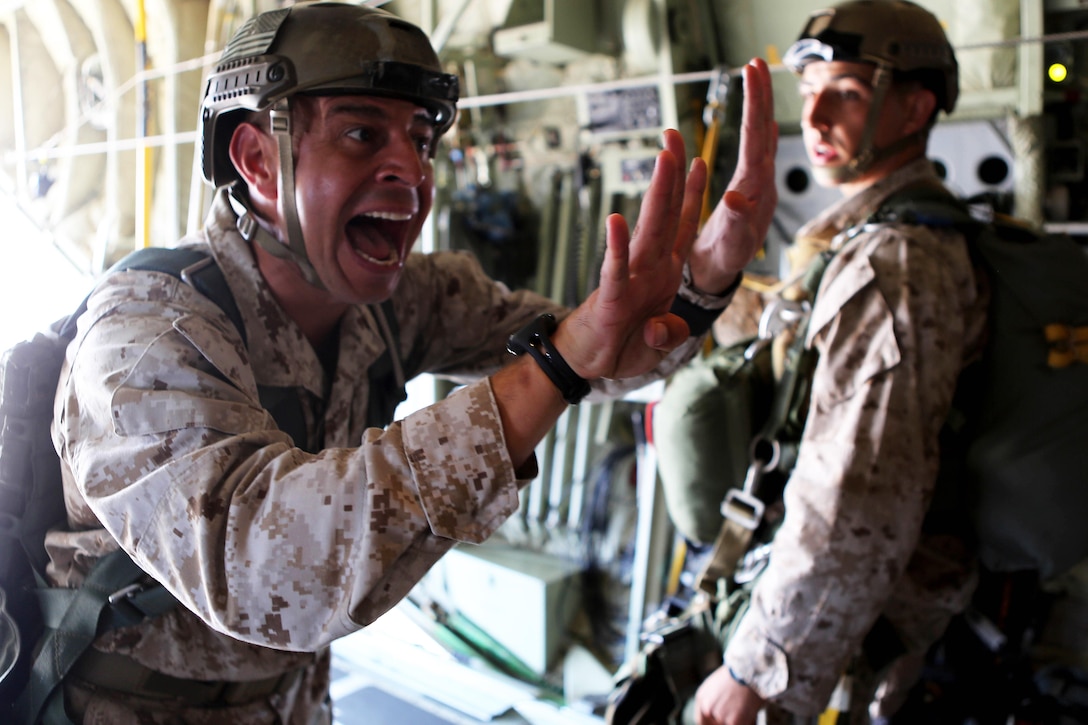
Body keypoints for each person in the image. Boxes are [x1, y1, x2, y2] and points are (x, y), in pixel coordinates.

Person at [43, 3, 776, 722]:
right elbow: (267, 572)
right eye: (363, 133)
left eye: (421, 140)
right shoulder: (143, 336)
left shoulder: (404, 301)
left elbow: (599, 351)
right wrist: (551, 369)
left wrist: (700, 285)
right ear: (258, 160)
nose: (411, 170)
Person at [692, 2, 989, 724]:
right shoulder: (864, 238)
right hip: (835, 609)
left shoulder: (896, 263)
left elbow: (856, 504)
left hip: (851, 636)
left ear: (916, 108)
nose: (815, 117)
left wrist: (758, 671)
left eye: (849, 94)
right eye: (810, 90)